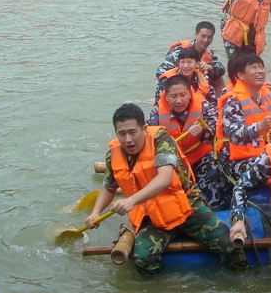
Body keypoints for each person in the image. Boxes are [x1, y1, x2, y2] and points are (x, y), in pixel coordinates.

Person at [84, 103, 247, 277]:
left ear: (144, 129)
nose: (128, 139)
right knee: (143, 259)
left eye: (132, 132)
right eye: (121, 134)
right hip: (152, 215)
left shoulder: (161, 140)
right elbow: (109, 187)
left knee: (230, 246)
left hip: (186, 206)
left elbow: (165, 178)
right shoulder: (113, 155)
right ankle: (164, 284)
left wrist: (131, 201)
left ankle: (240, 280)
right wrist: (95, 213)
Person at [147, 75, 228, 210]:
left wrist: (203, 133)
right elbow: (149, 141)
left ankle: (217, 209)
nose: (179, 100)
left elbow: (218, 129)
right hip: (173, 161)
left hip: (200, 157)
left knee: (216, 176)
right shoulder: (156, 113)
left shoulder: (203, 105)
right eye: (174, 96)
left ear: (190, 94)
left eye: (183, 95)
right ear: (166, 97)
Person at [156, 21, 227, 86]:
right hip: (178, 86)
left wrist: (210, 67)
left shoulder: (209, 53)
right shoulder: (180, 51)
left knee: (218, 78)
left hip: (197, 85)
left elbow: (222, 69)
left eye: (209, 37)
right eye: (203, 36)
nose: (206, 40)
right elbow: (161, 72)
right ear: (196, 34)